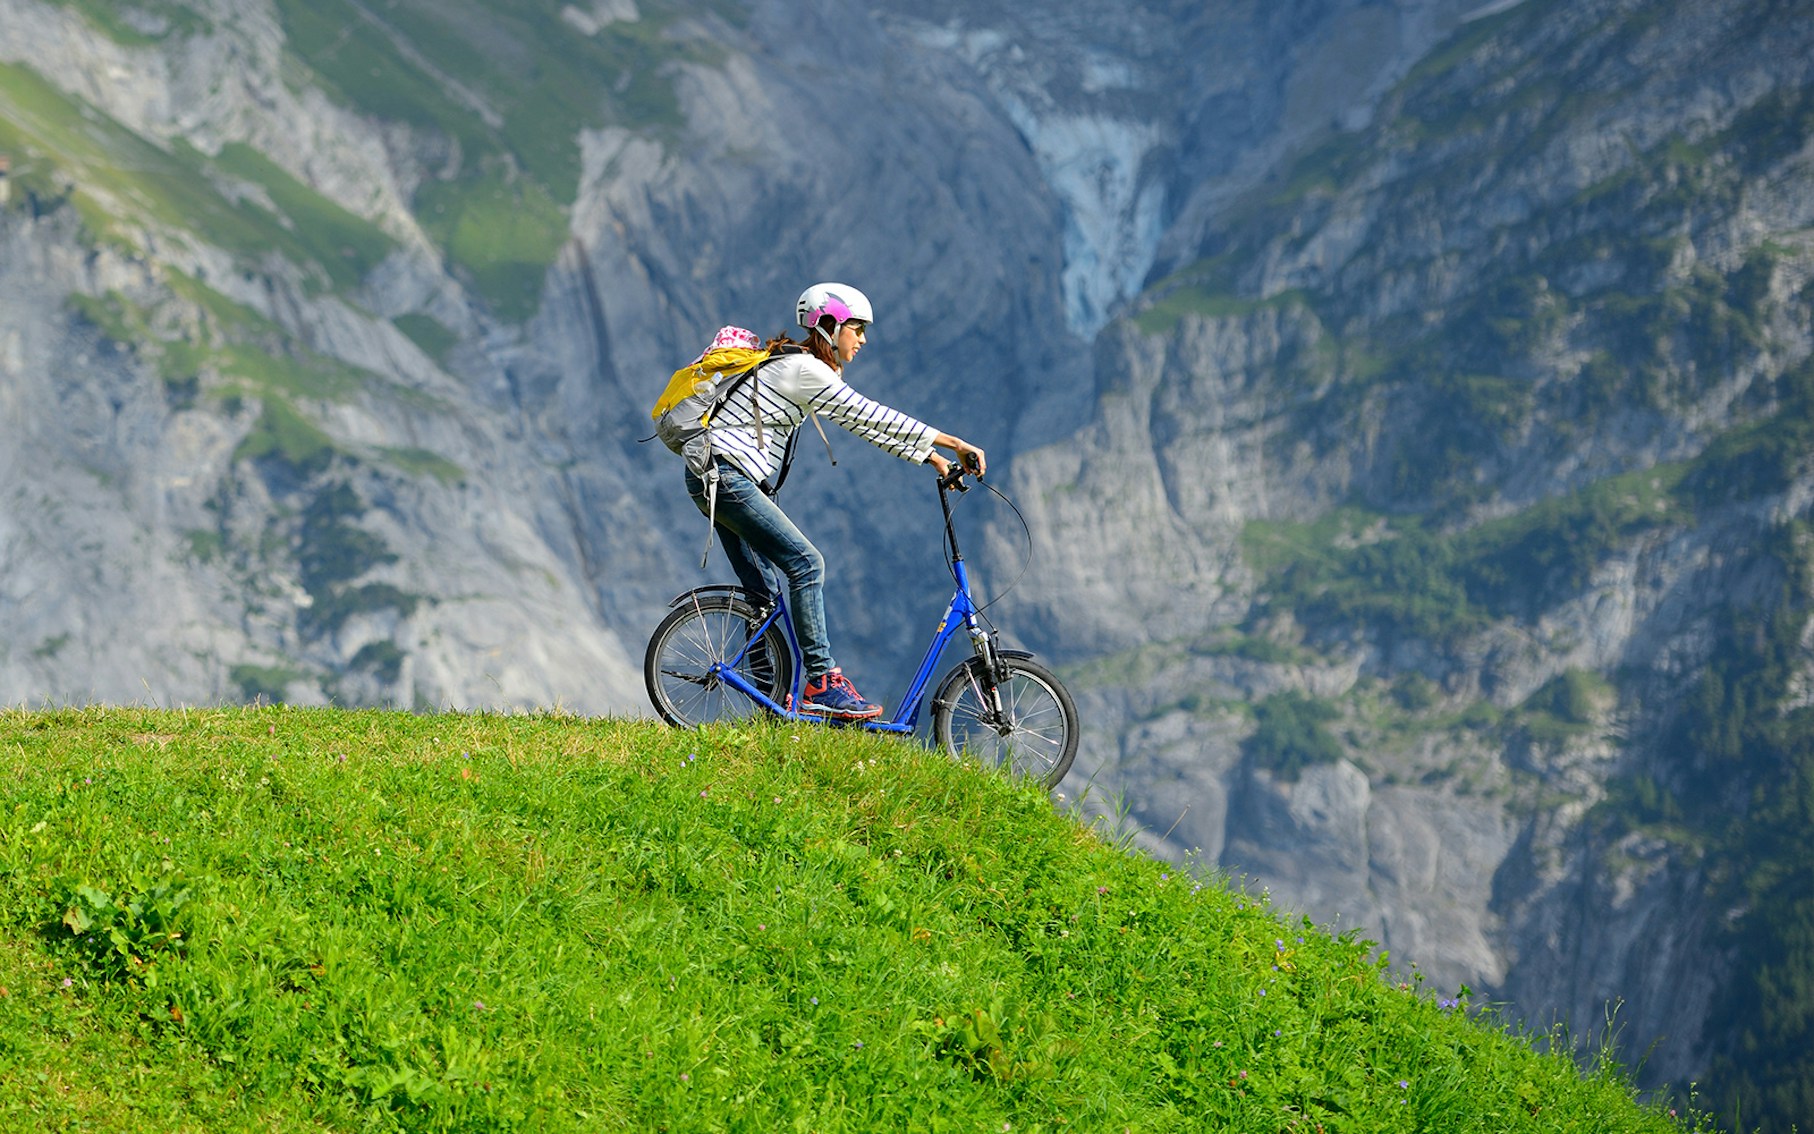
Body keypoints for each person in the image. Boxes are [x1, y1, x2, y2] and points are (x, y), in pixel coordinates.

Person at [684, 282, 987, 720]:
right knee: (807, 564)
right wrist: (954, 441)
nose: (862, 340)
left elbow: (862, 425)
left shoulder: (801, 365)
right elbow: (870, 414)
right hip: (726, 477)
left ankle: (767, 699)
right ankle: (823, 682)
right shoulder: (807, 370)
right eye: (856, 329)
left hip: (712, 476)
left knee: (765, 596)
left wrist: (933, 457)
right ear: (829, 326)